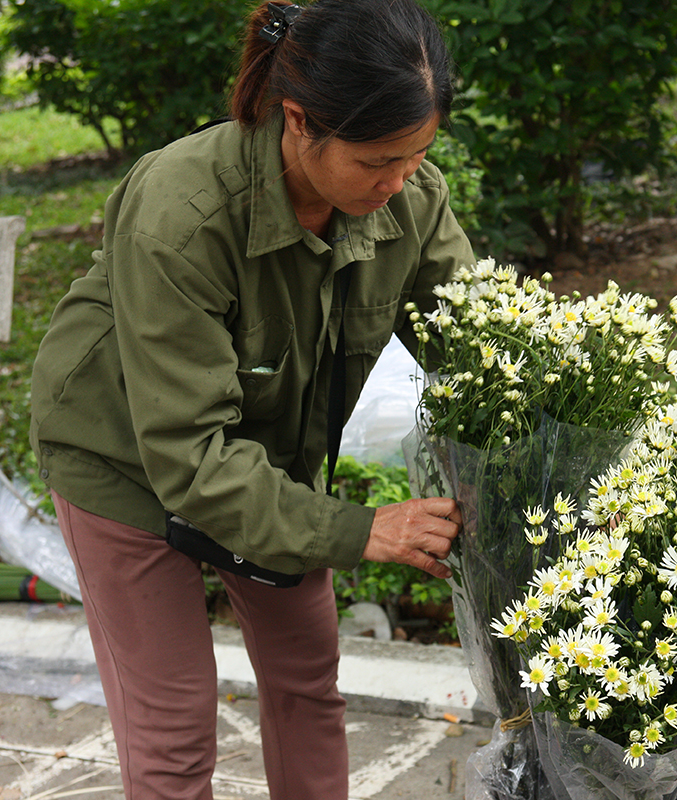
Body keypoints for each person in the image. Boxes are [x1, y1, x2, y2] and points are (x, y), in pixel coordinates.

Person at [28, 0, 472, 796]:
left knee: (308, 687)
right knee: (174, 730)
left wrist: (556, 454)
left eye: (417, 156)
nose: (400, 181)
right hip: (126, 458)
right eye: (378, 160)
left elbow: (482, 348)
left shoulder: (409, 197)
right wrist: (358, 529)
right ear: (299, 120)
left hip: (266, 461)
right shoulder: (181, 214)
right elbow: (191, 462)